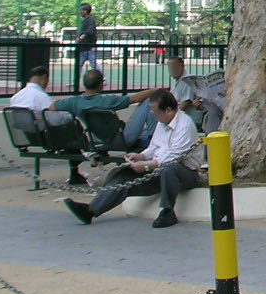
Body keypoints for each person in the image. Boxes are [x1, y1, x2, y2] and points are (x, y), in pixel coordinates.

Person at [63, 89, 203, 229]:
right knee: (125, 175)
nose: (154, 116)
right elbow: (154, 146)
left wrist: (147, 165)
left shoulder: (185, 126)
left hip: (184, 172)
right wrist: (141, 156)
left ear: (167, 110)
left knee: (169, 168)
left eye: (155, 112)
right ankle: (91, 210)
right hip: (158, 169)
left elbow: (173, 157)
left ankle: (167, 211)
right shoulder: (163, 122)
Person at [51, 67, 156, 154]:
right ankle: (152, 138)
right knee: (147, 102)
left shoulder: (74, 102)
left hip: (99, 139)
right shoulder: (107, 101)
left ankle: (152, 134)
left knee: (144, 130)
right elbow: (136, 98)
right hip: (121, 139)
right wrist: (156, 91)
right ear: (101, 85)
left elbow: (52, 107)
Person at [74, 3, 99, 83]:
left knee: (93, 64)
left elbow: (90, 31)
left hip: (89, 46)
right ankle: (76, 81)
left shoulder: (90, 20)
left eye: (82, 10)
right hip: (84, 47)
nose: (80, 12)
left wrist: (82, 36)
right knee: (79, 64)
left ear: (86, 11)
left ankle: (102, 77)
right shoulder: (85, 20)